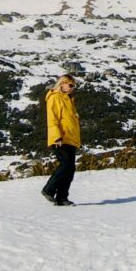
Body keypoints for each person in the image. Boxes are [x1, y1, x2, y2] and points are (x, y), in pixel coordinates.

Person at [41, 71, 80, 206]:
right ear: (62, 84)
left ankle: (62, 198)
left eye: (74, 86)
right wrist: (57, 136)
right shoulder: (54, 97)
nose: (72, 88)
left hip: (70, 138)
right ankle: (49, 189)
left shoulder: (68, 99)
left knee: (70, 168)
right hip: (60, 138)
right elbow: (53, 118)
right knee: (65, 165)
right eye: (70, 85)